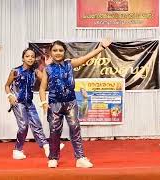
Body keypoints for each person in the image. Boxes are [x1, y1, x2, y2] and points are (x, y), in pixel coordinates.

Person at [39, 39, 111, 168]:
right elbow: (42, 88)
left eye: (61, 50)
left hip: (70, 102)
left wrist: (101, 48)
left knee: (75, 128)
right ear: (51, 52)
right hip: (54, 104)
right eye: (55, 50)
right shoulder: (48, 69)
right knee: (54, 131)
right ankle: (53, 158)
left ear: (65, 52)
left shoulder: (69, 64)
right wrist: (44, 102)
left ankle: (80, 158)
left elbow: (86, 57)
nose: (58, 53)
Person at [4, 48, 63, 160]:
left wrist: (49, 66)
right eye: (27, 56)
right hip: (18, 103)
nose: (30, 58)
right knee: (23, 126)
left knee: (37, 124)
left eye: (32, 56)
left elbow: (48, 80)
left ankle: (47, 147)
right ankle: (17, 150)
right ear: (23, 58)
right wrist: (10, 96)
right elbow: (7, 86)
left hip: (29, 103)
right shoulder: (15, 71)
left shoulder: (35, 72)